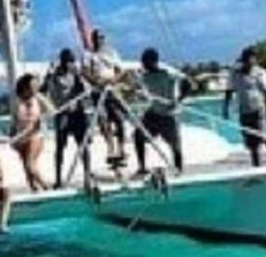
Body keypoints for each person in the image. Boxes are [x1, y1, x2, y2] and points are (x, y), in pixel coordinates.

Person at [225, 47, 266, 167]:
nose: (250, 62)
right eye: (247, 59)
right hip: (244, 112)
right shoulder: (234, 73)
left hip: (258, 110)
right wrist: (226, 107)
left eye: (252, 59)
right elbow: (229, 91)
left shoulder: (260, 73)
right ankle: (256, 167)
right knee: (251, 143)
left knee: (264, 137)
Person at [132, 47, 186, 176]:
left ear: (152, 61)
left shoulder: (168, 73)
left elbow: (188, 83)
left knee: (175, 145)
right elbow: (136, 87)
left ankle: (179, 170)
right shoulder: (145, 75)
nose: (143, 65)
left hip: (168, 114)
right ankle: (142, 167)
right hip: (153, 113)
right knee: (138, 136)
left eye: (145, 62)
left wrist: (178, 99)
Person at [83, 28, 130, 169]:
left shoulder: (112, 53)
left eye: (102, 37)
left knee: (119, 119)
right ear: (93, 39)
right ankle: (111, 148)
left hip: (112, 90)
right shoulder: (88, 55)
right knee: (103, 120)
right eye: (97, 37)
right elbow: (85, 71)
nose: (100, 40)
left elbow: (121, 70)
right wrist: (97, 82)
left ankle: (122, 149)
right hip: (98, 92)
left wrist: (113, 80)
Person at [45, 48, 91, 190]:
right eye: (68, 61)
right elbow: (47, 89)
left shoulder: (75, 75)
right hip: (63, 113)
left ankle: (87, 176)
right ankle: (58, 178)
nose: (70, 64)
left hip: (77, 113)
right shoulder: (54, 75)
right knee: (60, 147)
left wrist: (78, 75)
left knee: (83, 145)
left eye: (72, 61)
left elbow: (84, 90)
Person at [10, 73, 53, 192]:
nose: (35, 88)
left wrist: (42, 118)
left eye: (36, 86)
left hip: (35, 135)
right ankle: (34, 189)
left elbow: (52, 111)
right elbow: (14, 120)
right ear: (25, 87)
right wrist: (12, 137)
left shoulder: (38, 98)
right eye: (32, 86)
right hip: (20, 137)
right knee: (26, 169)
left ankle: (47, 187)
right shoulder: (17, 101)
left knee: (30, 165)